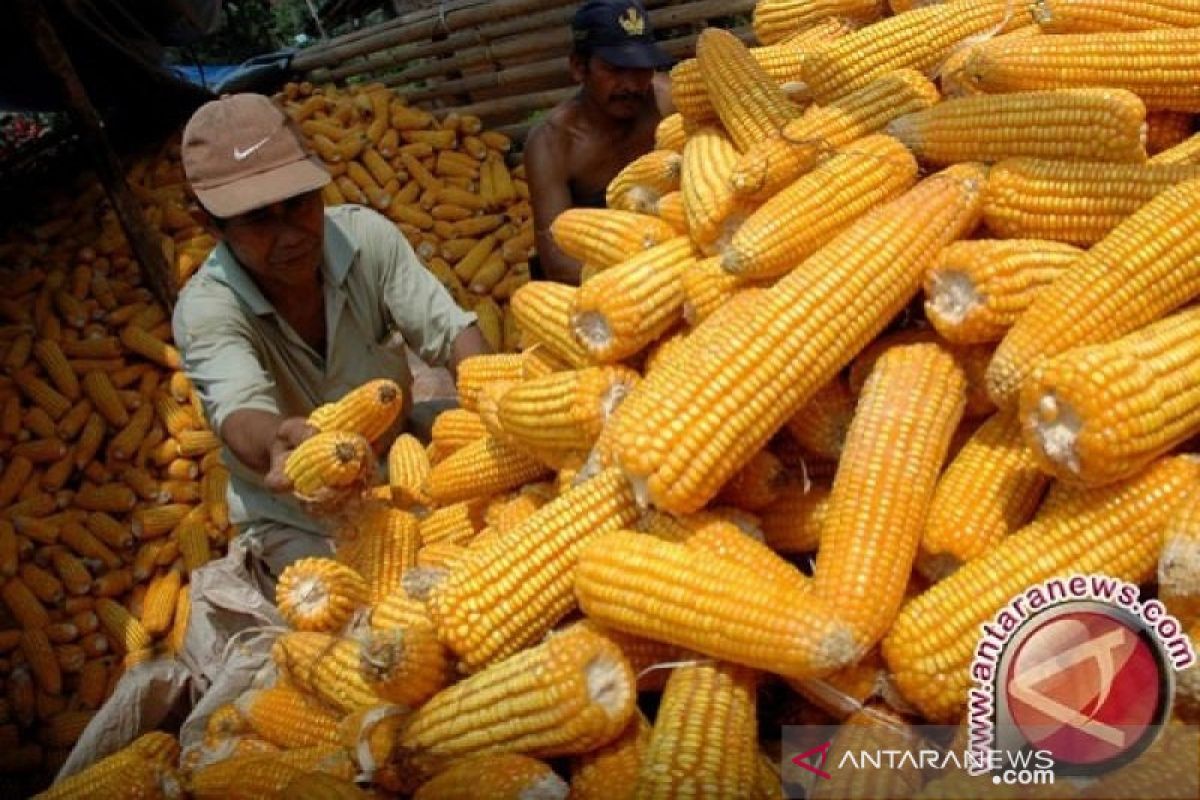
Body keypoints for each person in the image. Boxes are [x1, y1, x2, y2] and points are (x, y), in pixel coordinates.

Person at [173, 92, 490, 584]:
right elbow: (238, 410)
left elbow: (449, 332)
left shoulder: (366, 239)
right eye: (258, 218)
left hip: (399, 450)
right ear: (208, 225)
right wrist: (279, 441)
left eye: (299, 204)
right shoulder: (207, 309)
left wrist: (492, 397)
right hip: (297, 512)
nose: (290, 234)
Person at [523, 0, 675, 285]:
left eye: (642, 69)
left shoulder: (666, 103)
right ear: (579, 68)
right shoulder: (552, 144)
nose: (632, 85)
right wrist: (640, 281)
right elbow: (557, 259)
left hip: (672, 253)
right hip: (601, 279)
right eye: (615, 69)